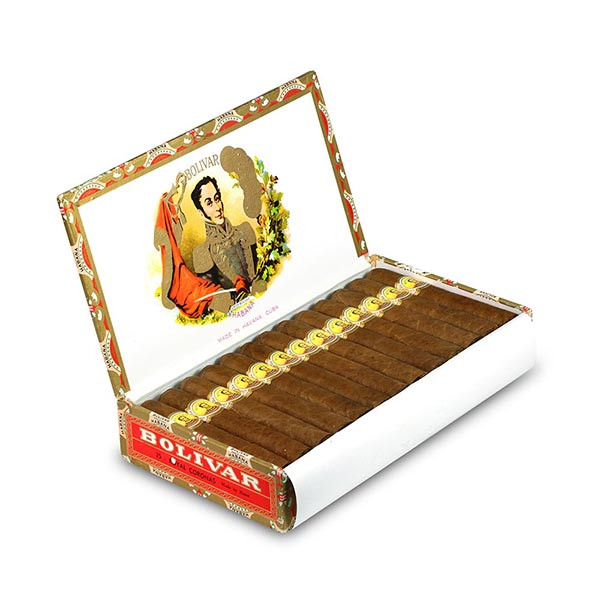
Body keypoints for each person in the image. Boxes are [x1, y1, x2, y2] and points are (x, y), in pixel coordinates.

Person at [190, 176, 262, 303]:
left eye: (217, 199)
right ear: (201, 213)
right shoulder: (202, 253)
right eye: (209, 203)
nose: (217, 207)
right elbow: (213, 300)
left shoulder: (245, 230)